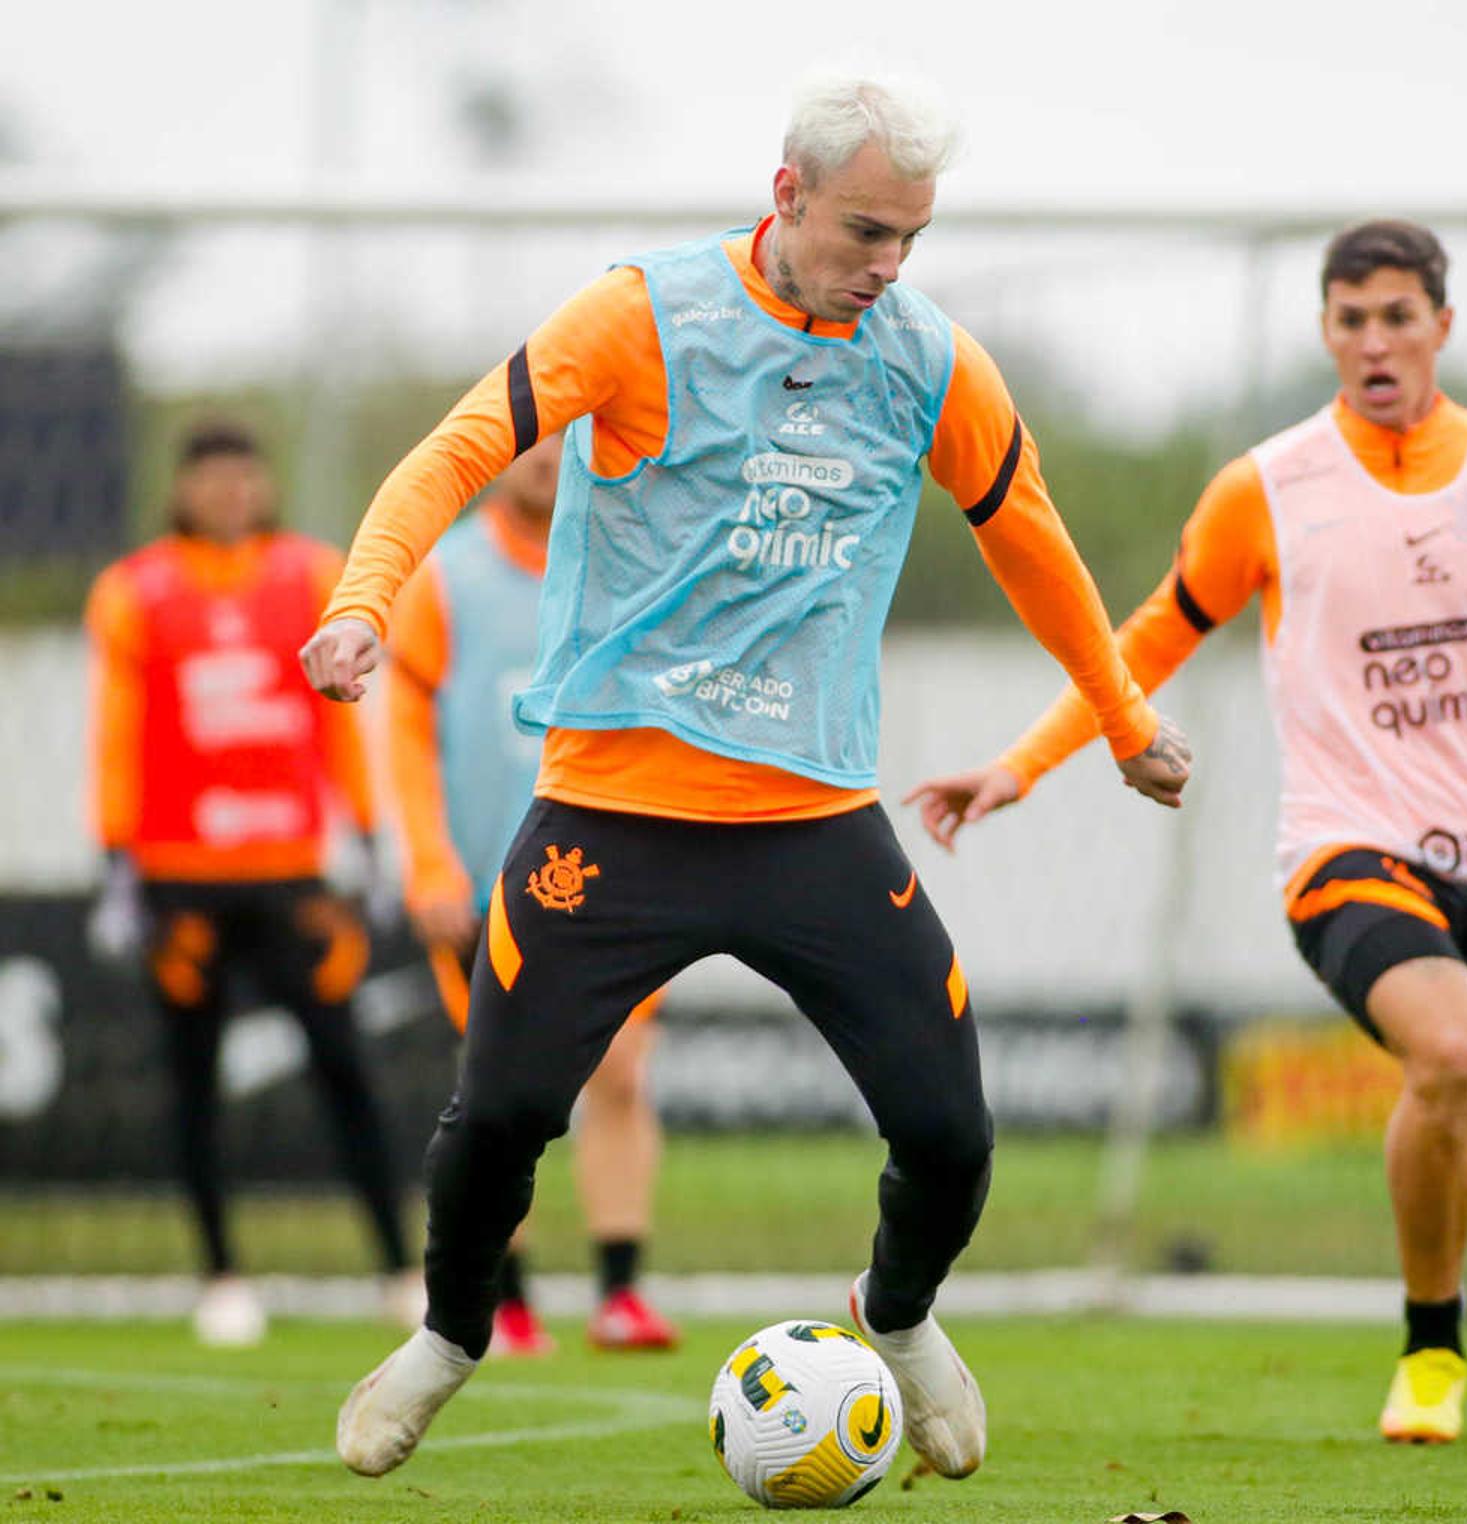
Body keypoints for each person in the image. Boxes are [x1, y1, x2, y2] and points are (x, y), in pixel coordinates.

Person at [300, 70, 1192, 1480]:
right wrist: (363, 599)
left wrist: (1125, 716)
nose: (886, 268)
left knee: (952, 1133)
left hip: (814, 824)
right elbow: (464, 447)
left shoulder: (929, 357)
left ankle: (893, 1319)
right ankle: (450, 1337)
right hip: (610, 817)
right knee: (504, 1119)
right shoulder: (642, 313)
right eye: (862, 235)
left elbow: (1026, 531)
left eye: (910, 240)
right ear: (786, 196)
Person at [906, 219, 1467, 1446]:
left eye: (1396, 316)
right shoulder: (1268, 489)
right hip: (1349, 855)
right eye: (1350, 318)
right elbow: (1149, 638)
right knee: (1451, 1051)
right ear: (1326, 331)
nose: (1374, 340)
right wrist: (1022, 766)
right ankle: (1430, 1352)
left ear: (1443, 325)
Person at [83, 419, 417, 1347]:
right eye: (212, 479)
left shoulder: (311, 574)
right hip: (182, 881)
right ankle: (222, 1275)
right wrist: (115, 860)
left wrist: (366, 835)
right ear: (183, 489)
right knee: (191, 1082)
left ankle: (398, 1267)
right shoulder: (133, 591)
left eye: (245, 477)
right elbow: (115, 732)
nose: (231, 494)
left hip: (290, 878)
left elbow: (342, 719)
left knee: (346, 1069)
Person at [385, 431, 677, 1355]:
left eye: (575, 440)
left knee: (623, 1076)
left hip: (619, 876)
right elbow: (404, 732)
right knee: (499, 1095)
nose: (553, 459)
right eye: (539, 441)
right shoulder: (449, 577)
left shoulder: (635, 569)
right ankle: (505, 1301)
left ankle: (620, 1293)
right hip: (485, 885)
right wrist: (429, 865)